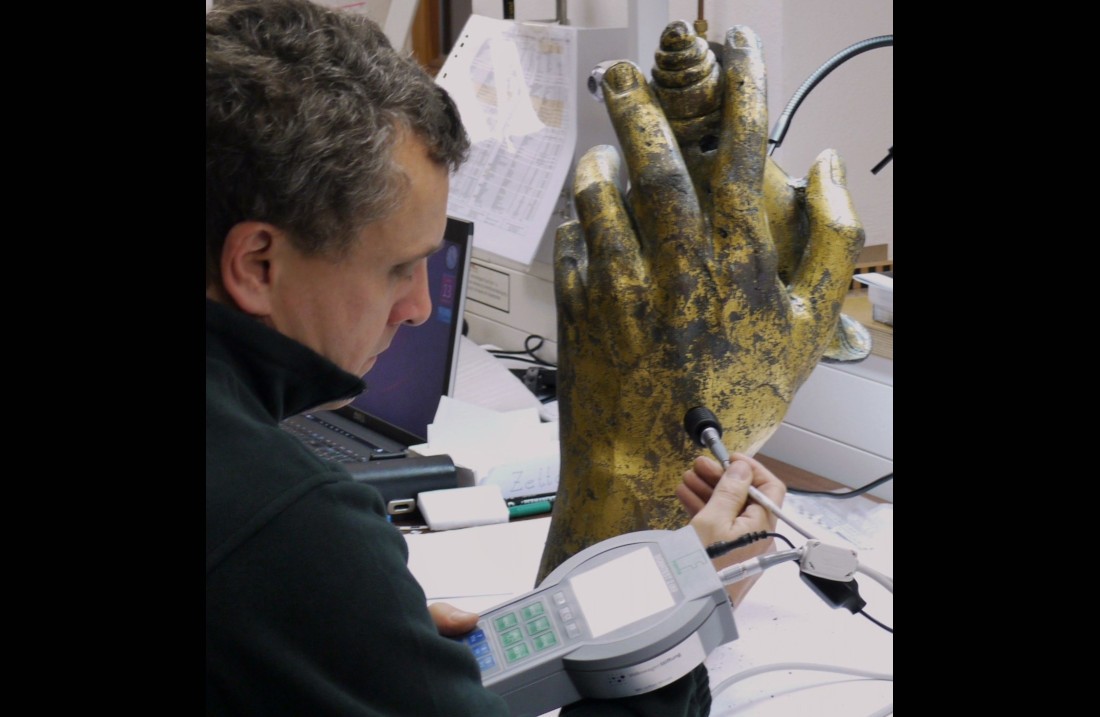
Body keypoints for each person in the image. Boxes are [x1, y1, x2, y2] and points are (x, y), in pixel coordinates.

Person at [206, 1, 786, 715]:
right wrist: (686, 607)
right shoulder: (292, 529)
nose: (418, 306)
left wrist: (370, 647)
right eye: (397, 268)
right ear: (258, 262)